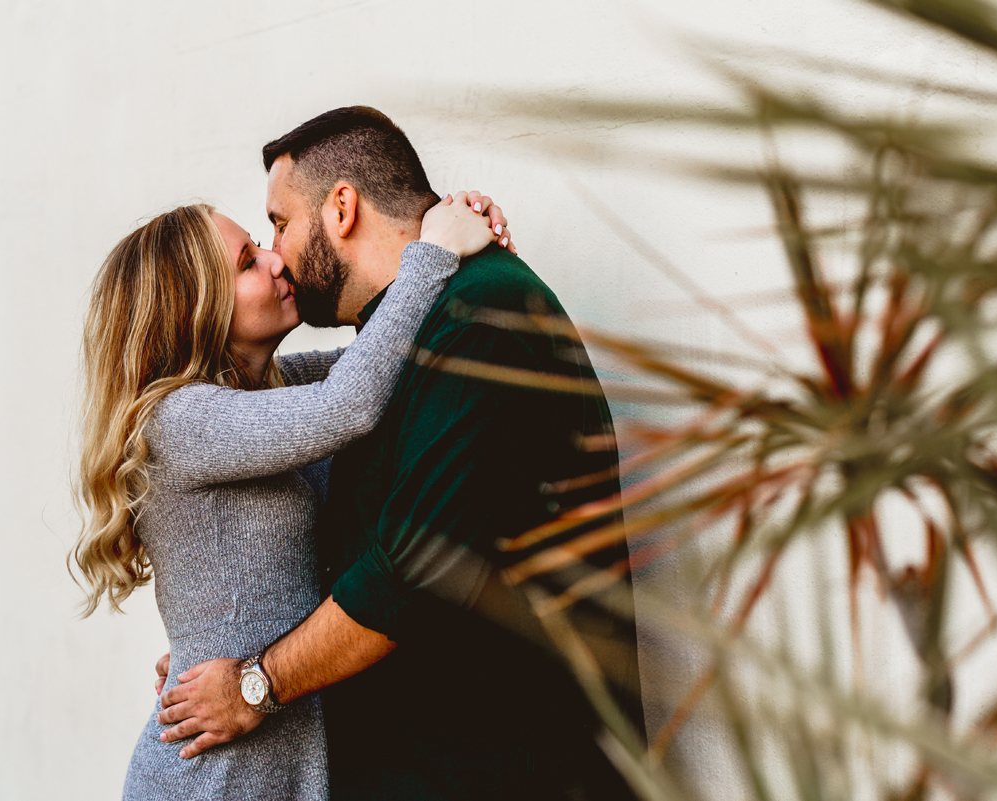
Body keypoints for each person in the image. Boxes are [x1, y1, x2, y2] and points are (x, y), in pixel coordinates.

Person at [156, 107, 645, 800]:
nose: (277, 253)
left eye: (279, 223)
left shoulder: (482, 318)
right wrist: (220, 635)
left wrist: (255, 682)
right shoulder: (406, 339)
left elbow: (415, 571)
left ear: (343, 207)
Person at [72, 190, 510, 800]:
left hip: (273, 752)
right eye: (248, 261)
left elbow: (384, 356)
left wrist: (459, 238)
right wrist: (432, 250)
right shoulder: (182, 421)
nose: (276, 262)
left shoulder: (273, 390)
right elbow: (350, 405)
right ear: (195, 311)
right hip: (216, 772)